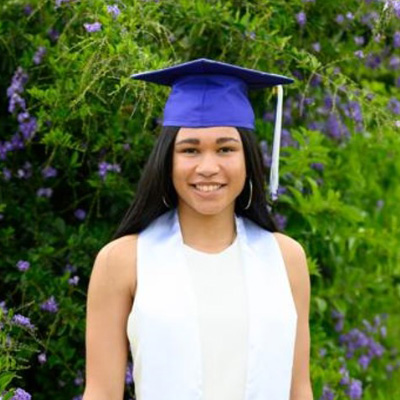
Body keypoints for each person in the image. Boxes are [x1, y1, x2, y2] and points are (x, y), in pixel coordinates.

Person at [83, 58, 313, 400]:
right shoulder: (123, 261)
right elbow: (101, 393)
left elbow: (299, 389)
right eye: (190, 150)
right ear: (168, 160)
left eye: (225, 149)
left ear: (248, 159)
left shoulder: (284, 259)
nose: (208, 167)